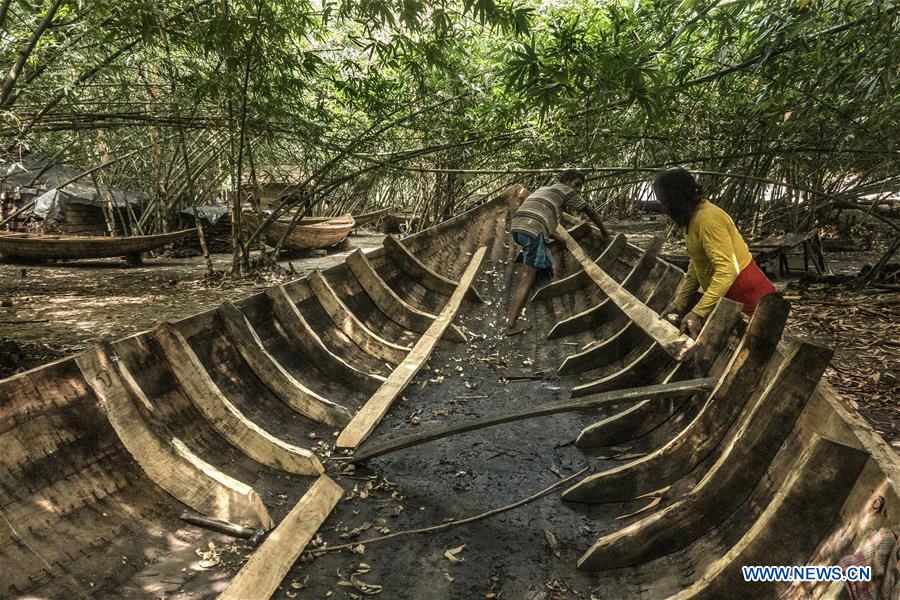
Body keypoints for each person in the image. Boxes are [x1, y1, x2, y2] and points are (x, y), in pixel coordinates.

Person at [654, 167, 775, 337]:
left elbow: (727, 270)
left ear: (674, 198)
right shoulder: (690, 218)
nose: (662, 206)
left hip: (748, 295)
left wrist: (697, 312)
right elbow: (697, 264)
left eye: (663, 201)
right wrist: (680, 302)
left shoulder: (707, 219)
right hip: (727, 295)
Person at [505, 169, 609, 335]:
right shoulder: (566, 191)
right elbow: (589, 211)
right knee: (528, 277)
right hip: (533, 230)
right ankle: (511, 325)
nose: (578, 190)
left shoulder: (543, 189)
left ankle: (528, 295)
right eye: (577, 185)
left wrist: (560, 239)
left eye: (580, 187)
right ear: (566, 181)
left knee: (538, 265)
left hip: (518, 228)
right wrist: (605, 233)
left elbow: (541, 217)